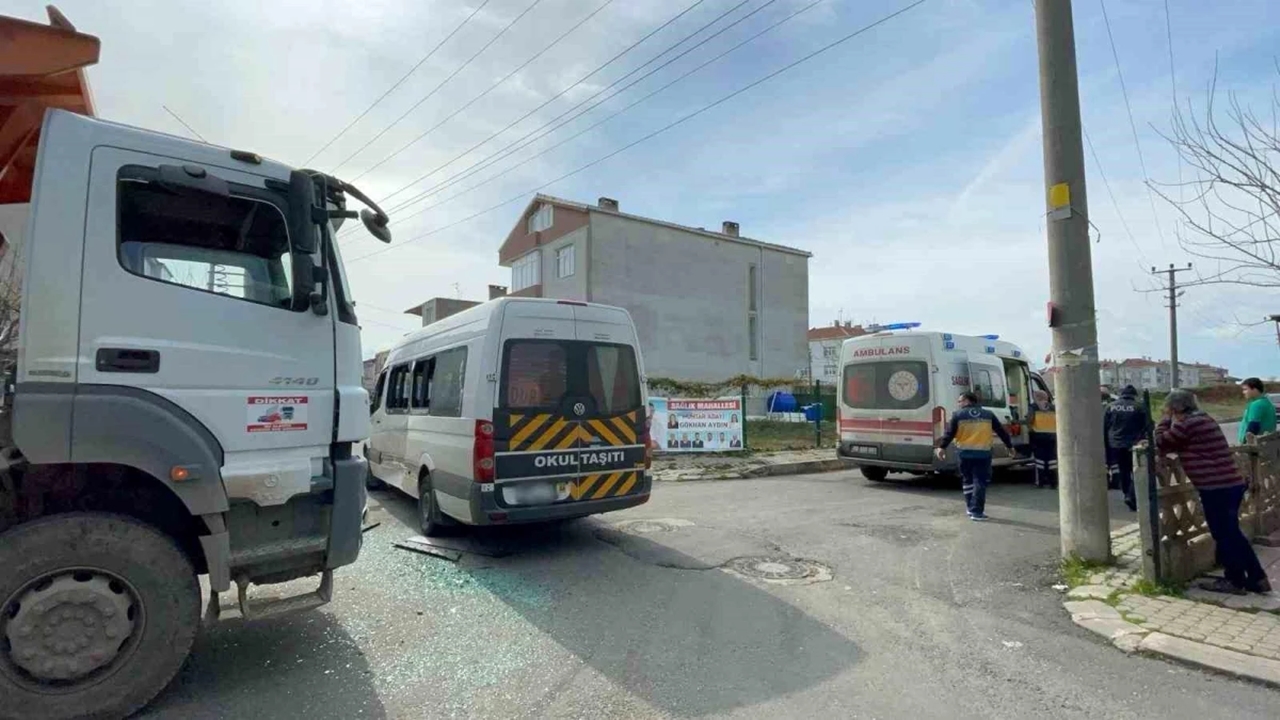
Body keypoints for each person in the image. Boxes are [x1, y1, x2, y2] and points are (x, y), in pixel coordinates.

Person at [1156, 389, 1271, 595]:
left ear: (1177, 408)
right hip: (1229, 484)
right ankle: (1254, 578)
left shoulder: (1188, 424)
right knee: (1230, 534)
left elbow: (1162, 442)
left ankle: (1239, 580)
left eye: (1171, 409)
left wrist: (1165, 420)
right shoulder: (1204, 419)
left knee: (1226, 535)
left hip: (1217, 487)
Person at [935, 392, 1014, 521]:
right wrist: (1009, 446)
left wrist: (941, 447)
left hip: (964, 453)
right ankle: (976, 512)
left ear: (967, 400)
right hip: (983, 454)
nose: (959, 403)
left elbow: (949, 433)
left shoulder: (957, 415)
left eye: (960, 401)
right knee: (980, 482)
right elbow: (1001, 431)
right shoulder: (988, 414)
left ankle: (970, 508)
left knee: (967, 480)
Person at [1104, 385, 1148, 512]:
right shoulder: (1140, 407)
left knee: (1124, 470)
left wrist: (1106, 445)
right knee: (1137, 470)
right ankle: (1131, 495)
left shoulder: (1110, 407)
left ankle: (1126, 493)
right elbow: (1147, 425)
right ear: (1134, 395)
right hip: (1134, 444)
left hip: (1115, 444)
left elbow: (1105, 426)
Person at [1027, 390, 1057, 489]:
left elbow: (1030, 420)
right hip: (1052, 436)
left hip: (1038, 436)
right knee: (1052, 460)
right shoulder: (1053, 407)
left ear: (1037, 397)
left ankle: (1040, 482)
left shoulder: (1033, 407)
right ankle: (1054, 482)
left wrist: (1029, 428)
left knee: (1040, 460)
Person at [1239, 377, 1277, 444]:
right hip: (1267, 443)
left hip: (1255, 446)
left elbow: (1253, 427)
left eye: (1245, 389)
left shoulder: (1256, 405)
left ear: (1254, 389)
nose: (1243, 392)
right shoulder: (1267, 403)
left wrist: (1244, 444)